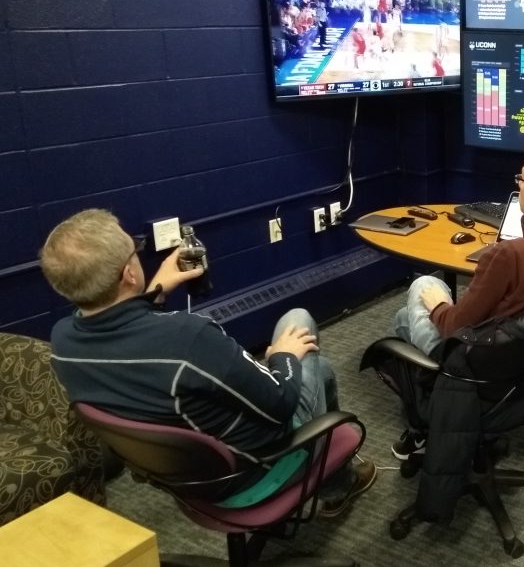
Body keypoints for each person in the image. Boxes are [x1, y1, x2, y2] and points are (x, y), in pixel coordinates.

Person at [39, 209, 376, 515]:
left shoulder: (63, 339)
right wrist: (283, 357)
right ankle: (336, 483)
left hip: (186, 476)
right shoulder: (189, 338)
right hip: (251, 470)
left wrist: (156, 290)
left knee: (318, 367)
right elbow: (280, 404)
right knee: (302, 328)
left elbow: (126, 337)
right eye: (135, 251)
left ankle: (335, 478)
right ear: (128, 273)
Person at [390, 145, 524, 458]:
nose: (518, 186)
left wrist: (436, 305)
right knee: (405, 318)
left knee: (423, 287)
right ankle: (424, 407)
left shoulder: (506, 256)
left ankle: (424, 423)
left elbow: (454, 325)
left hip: (477, 367)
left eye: (521, 182)